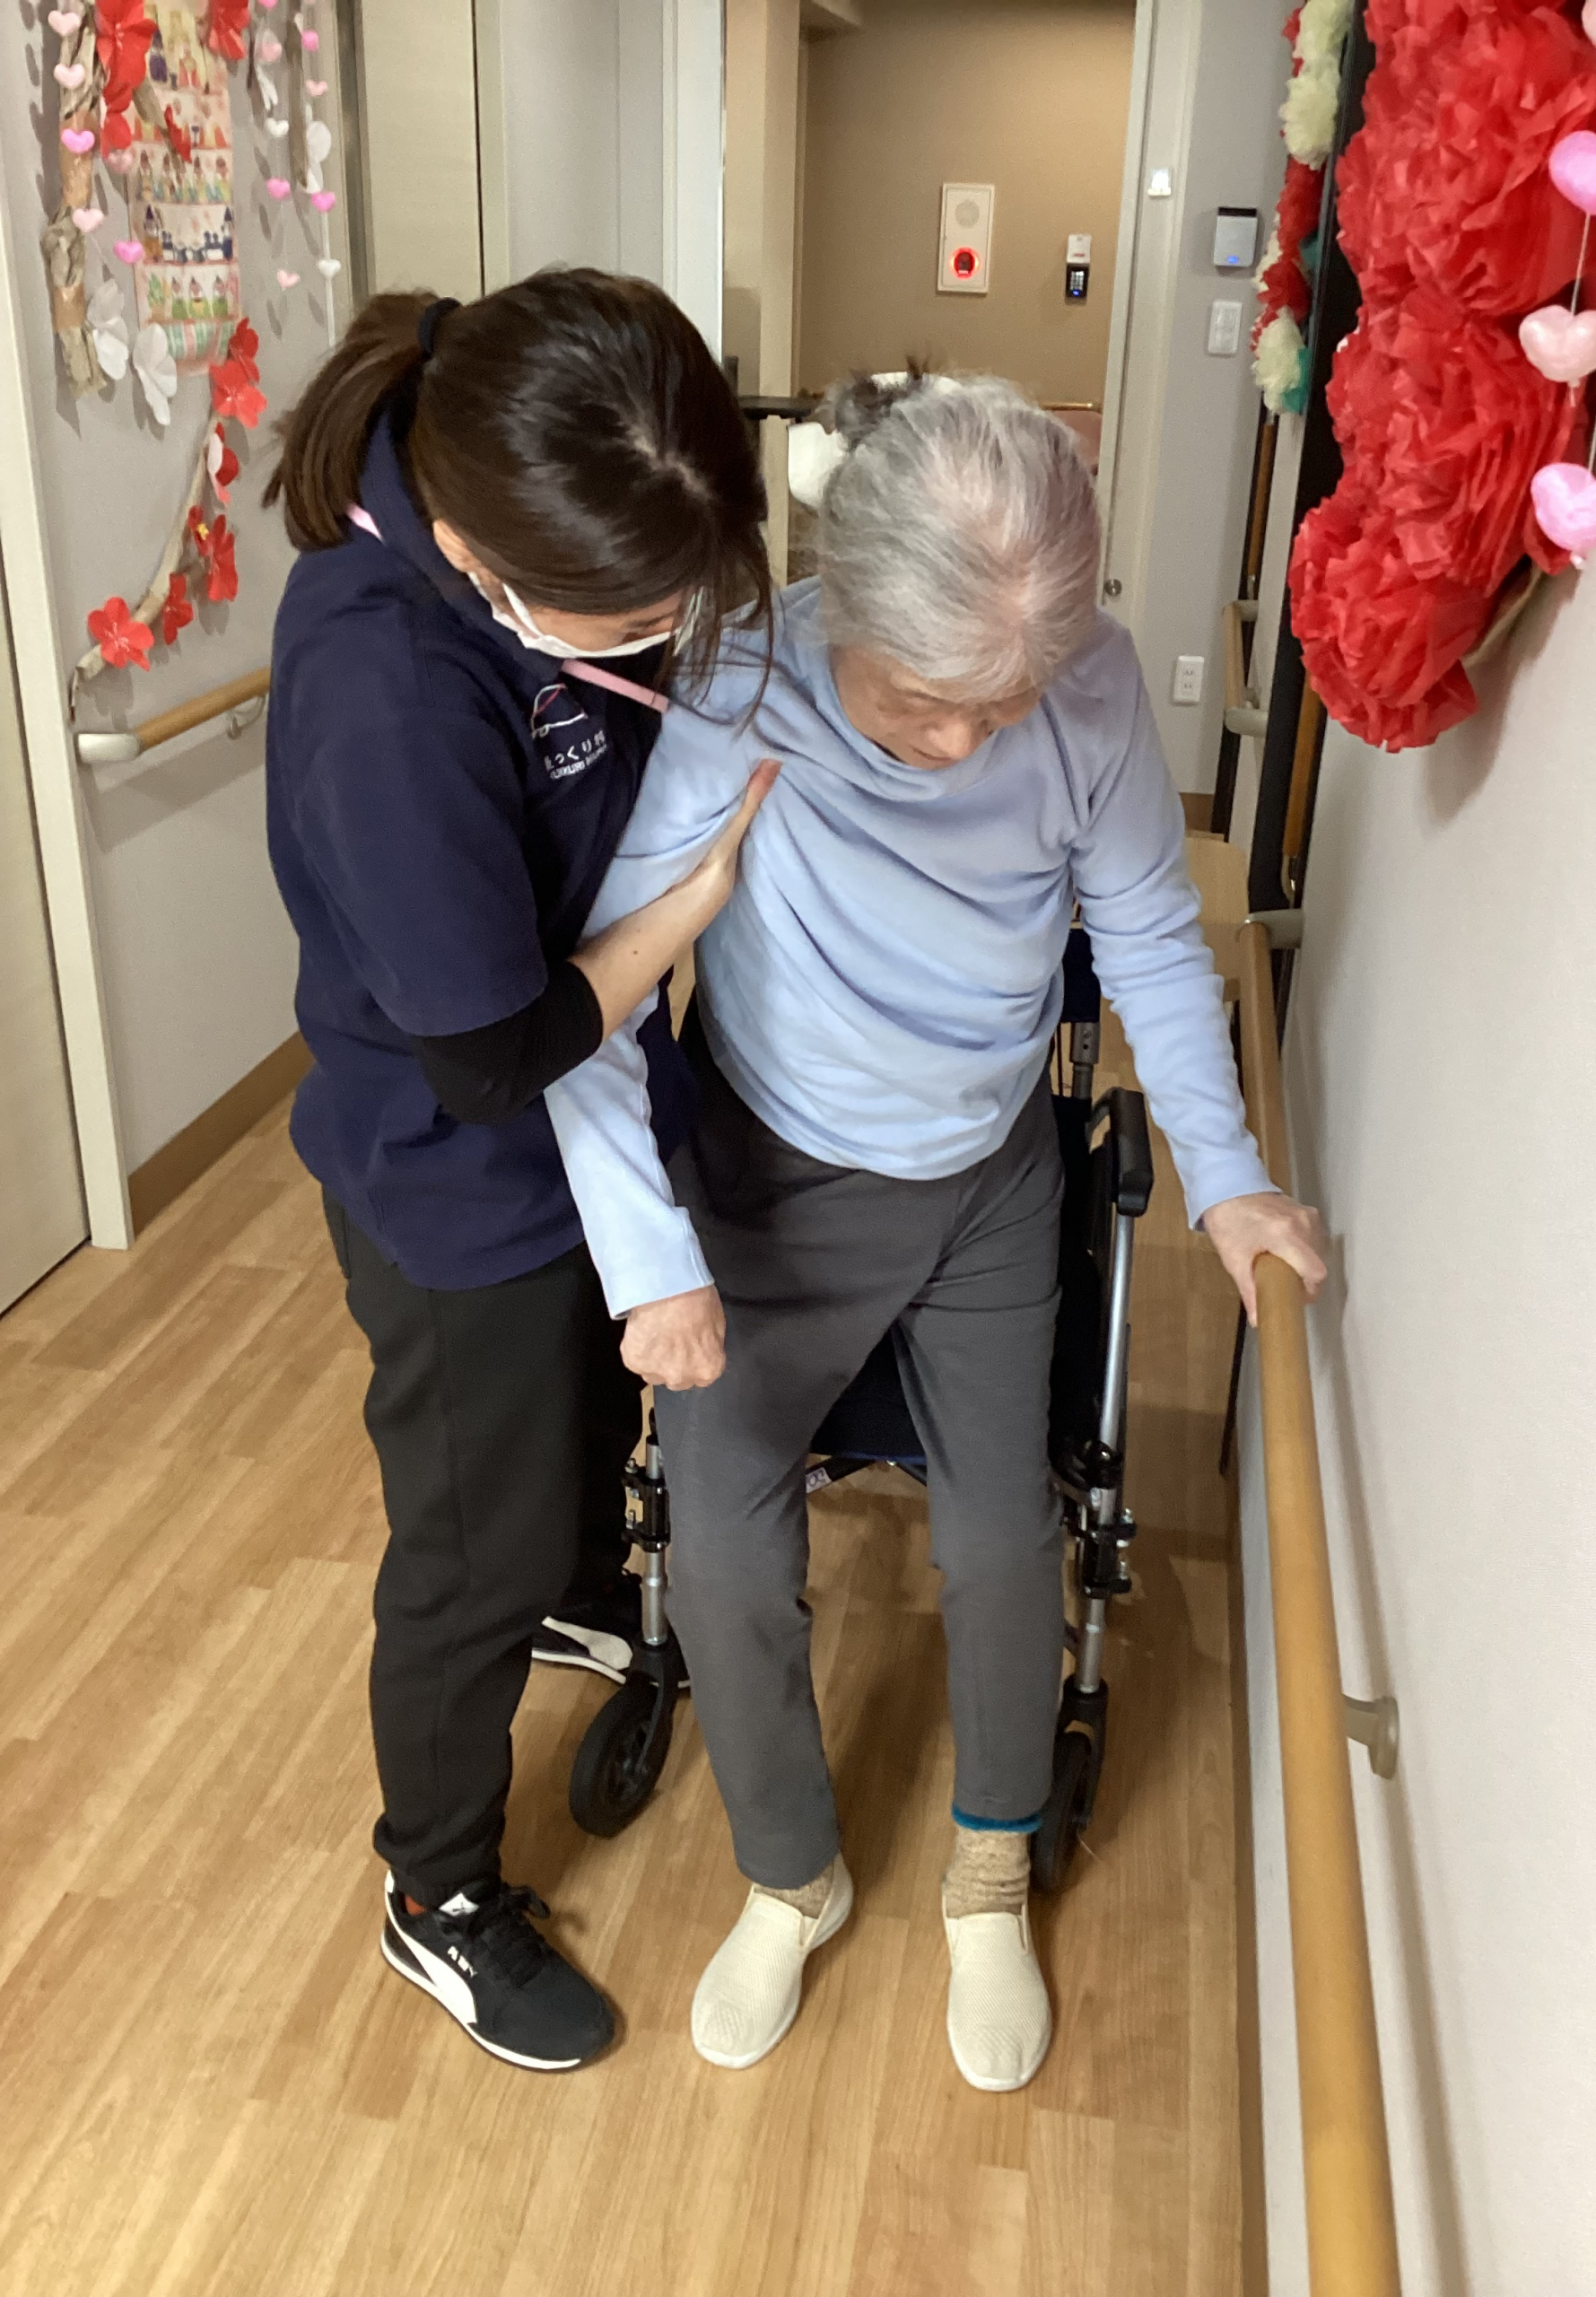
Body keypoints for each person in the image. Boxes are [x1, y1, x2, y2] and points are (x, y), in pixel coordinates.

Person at [544, 370, 1327, 2092]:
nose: (971, 743)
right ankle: (791, 1875)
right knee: (722, 1548)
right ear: (845, 605)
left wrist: (1225, 1171)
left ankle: (989, 1869)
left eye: (1008, 702)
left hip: (986, 1178)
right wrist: (650, 1260)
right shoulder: (744, 674)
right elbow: (603, 990)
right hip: (771, 1178)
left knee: (1000, 1536)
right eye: (923, 701)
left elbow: (1149, 933)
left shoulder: (1093, 690)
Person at [263, 272, 776, 2074]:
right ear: (481, 554)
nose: (673, 635)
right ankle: (436, 1893)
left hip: (582, 1130)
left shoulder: (542, 460)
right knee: (460, 1556)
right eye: (637, 619)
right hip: (455, 1171)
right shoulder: (385, 690)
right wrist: (688, 908)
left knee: (573, 1426)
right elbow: (490, 1056)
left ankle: (564, 1581)